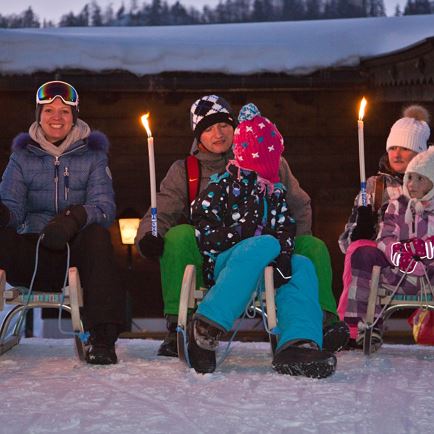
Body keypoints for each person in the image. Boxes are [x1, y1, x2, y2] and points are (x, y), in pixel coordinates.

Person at [136, 94, 347, 358]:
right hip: (215, 254)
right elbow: (162, 209)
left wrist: (290, 251)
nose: (218, 134)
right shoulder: (187, 171)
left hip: (272, 251)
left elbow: (298, 204)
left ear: (235, 127)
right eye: (209, 129)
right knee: (179, 235)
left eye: (224, 125)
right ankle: (181, 322)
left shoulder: (267, 159)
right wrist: (150, 235)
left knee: (312, 247)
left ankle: (322, 321)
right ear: (198, 137)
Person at [187, 103, 336, 377]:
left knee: (301, 265)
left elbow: (286, 228)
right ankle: (206, 325)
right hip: (228, 266)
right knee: (265, 243)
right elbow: (205, 235)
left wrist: (284, 259)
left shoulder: (275, 194)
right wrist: (242, 232)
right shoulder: (221, 187)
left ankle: (297, 343)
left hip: (266, 271)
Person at [0, 80, 125, 365]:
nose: (56, 117)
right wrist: (3, 213)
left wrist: (74, 218)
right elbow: (13, 210)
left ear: (74, 116)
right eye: (49, 110)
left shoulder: (93, 157)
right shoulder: (21, 158)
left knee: (98, 236)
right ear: (39, 115)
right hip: (33, 255)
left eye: (64, 111)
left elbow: (104, 207)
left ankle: (102, 339)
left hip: (76, 257)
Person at [337, 105, 430, 340]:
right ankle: (357, 328)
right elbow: (346, 244)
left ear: (420, 153)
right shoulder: (376, 186)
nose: (397, 154)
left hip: (429, 264)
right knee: (359, 250)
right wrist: (362, 229)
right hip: (389, 264)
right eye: (393, 148)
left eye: (405, 148)